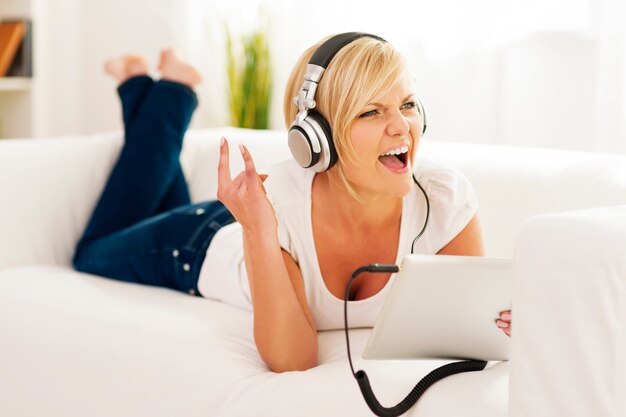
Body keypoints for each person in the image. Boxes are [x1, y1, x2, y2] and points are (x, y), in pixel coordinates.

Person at [73, 36, 512, 374]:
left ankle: (147, 86)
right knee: (91, 252)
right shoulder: (280, 205)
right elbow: (292, 360)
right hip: (198, 243)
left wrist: (510, 322)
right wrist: (259, 229)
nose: (401, 127)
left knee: (143, 209)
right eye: (371, 112)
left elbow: (475, 330)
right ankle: (165, 91)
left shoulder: (444, 200)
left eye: (408, 104)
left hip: (246, 221)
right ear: (315, 138)